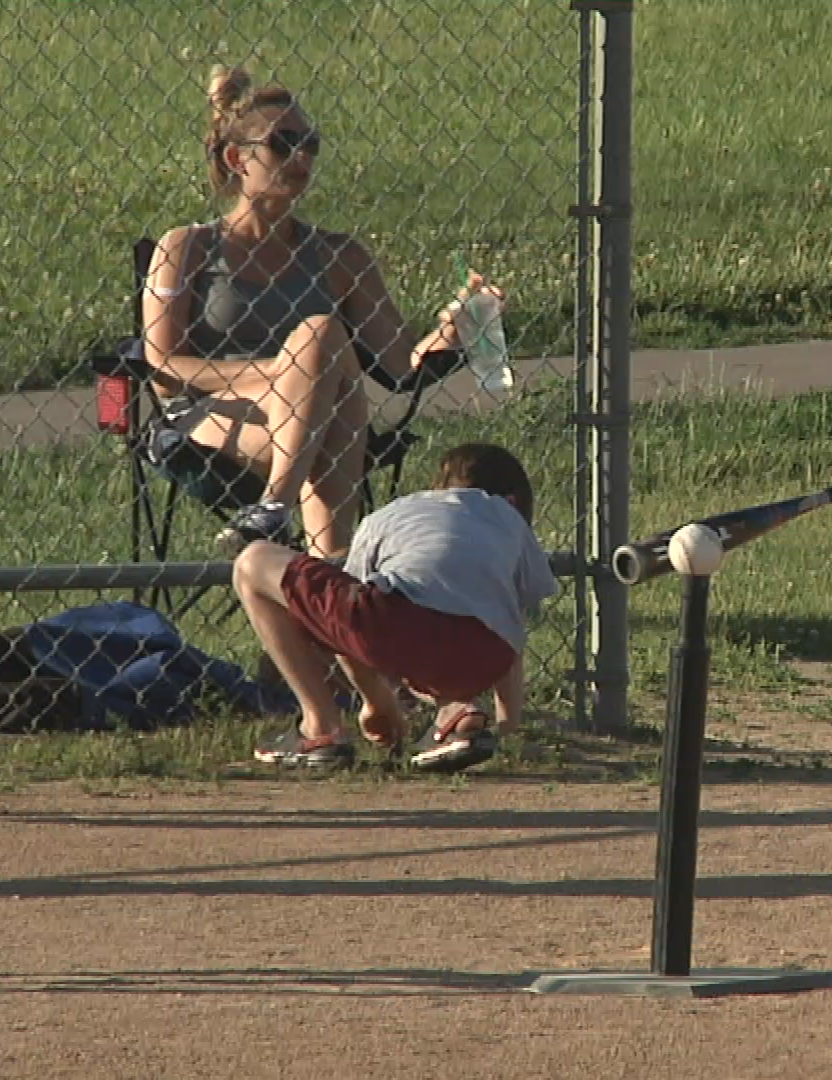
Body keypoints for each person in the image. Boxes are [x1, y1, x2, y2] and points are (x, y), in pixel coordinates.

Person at [140, 64, 504, 560]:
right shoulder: (188, 247)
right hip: (217, 417)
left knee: (321, 345)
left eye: (311, 143)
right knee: (319, 351)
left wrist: (454, 326)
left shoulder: (341, 257)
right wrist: (282, 373)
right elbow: (162, 369)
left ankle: (276, 514)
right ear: (236, 158)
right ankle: (326, 569)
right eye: (283, 142)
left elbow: (401, 367)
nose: (301, 156)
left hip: (320, 413)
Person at [231, 442, 557, 773]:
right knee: (453, 628)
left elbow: (345, 630)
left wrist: (376, 702)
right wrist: (507, 727)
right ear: (514, 500)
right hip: (485, 654)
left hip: (394, 624)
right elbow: (511, 622)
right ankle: (458, 712)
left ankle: (320, 727)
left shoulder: (392, 513)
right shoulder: (509, 520)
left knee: (252, 560)